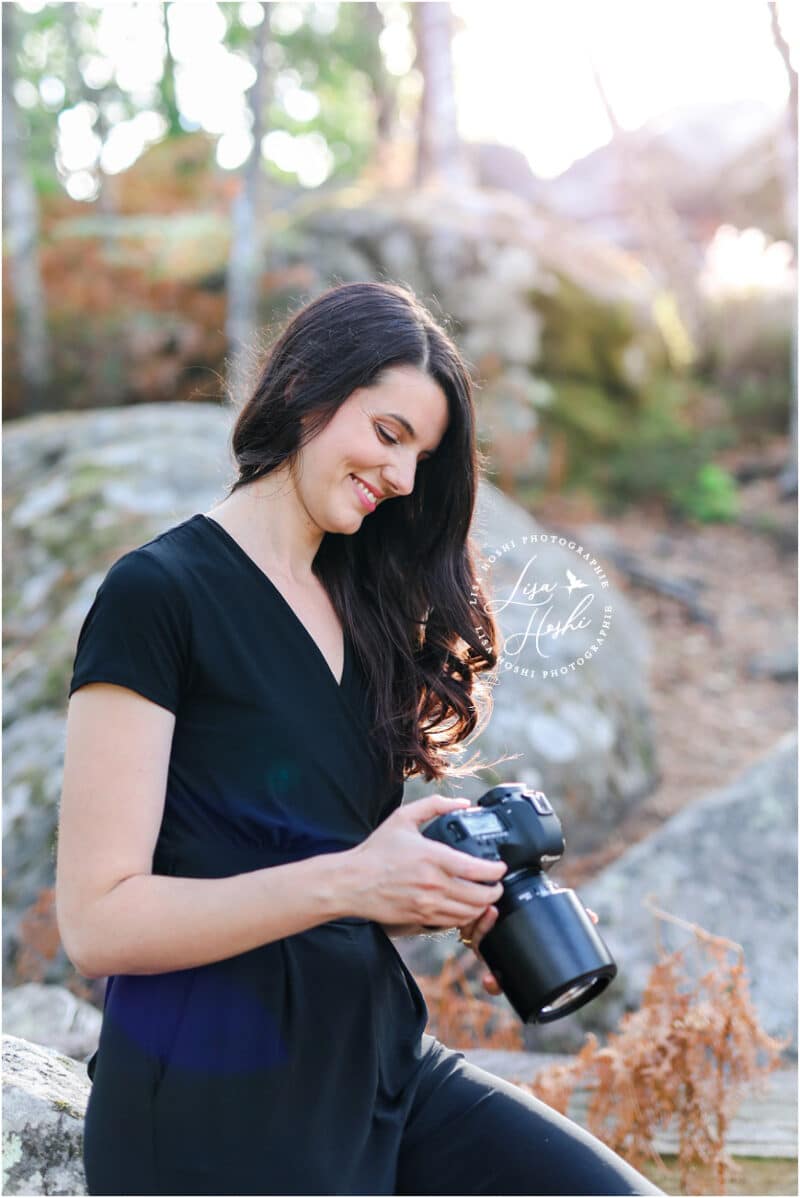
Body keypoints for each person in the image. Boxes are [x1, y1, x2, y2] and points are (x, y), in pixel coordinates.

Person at [56, 281, 662, 1196]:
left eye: (422, 454)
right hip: (212, 1108)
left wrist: (432, 891)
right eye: (388, 435)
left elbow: (318, 864)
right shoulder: (158, 596)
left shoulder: (365, 605)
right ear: (304, 391)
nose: (406, 479)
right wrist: (355, 880)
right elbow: (98, 922)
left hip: (378, 1065)